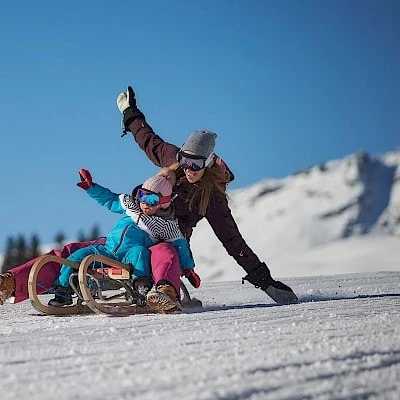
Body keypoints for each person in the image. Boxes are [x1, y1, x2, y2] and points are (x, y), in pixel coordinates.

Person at [116, 86, 298, 305]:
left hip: (173, 239)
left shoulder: (211, 197)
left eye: (196, 164)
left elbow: (233, 241)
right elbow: (147, 139)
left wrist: (265, 281)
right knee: (122, 242)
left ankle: (162, 289)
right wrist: (130, 111)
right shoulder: (171, 159)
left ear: (209, 162)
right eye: (185, 161)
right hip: (144, 224)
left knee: (163, 253)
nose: (189, 169)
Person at [47, 168, 197, 313]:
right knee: (77, 256)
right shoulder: (130, 205)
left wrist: (188, 269)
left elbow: (180, 245)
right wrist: (91, 187)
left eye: (151, 200)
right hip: (107, 250)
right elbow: (110, 199)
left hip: (129, 256)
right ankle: (62, 292)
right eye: (142, 196)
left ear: (163, 203)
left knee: (140, 252)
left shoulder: (165, 224)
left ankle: (141, 287)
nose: (144, 203)